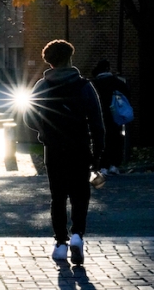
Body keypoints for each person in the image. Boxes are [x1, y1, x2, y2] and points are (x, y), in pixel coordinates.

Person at [23, 39, 104, 265]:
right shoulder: (84, 86)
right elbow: (97, 123)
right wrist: (97, 154)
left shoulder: (42, 86)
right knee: (80, 195)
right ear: (70, 58)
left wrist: (43, 130)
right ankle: (77, 235)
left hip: (54, 148)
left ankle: (60, 243)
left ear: (49, 62)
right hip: (80, 147)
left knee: (58, 196)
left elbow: (27, 116)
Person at [90, 59, 131, 175]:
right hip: (115, 115)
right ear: (108, 68)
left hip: (99, 116)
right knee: (116, 138)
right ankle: (114, 164)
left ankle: (102, 165)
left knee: (101, 140)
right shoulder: (118, 83)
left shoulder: (94, 84)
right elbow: (127, 96)